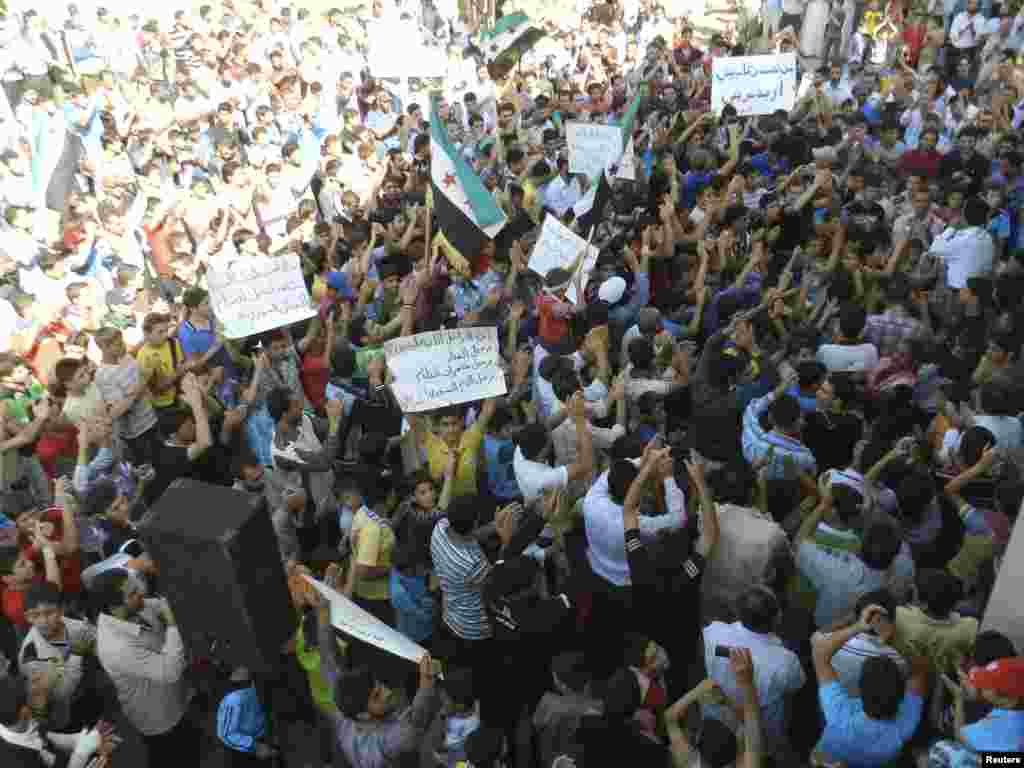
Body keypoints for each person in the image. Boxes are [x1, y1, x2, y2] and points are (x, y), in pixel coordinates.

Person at [92, 570, 197, 768]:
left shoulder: (133, 607)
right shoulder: (117, 647)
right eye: (132, 592)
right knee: (173, 757)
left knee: (188, 743)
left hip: (173, 698)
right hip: (159, 716)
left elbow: (153, 604)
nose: (141, 593)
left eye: (136, 586)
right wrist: (172, 624)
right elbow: (170, 671)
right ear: (114, 607)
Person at [811, 603, 932, 767]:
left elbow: (820, 654)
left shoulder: (840, 717)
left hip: (828, 759)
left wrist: (858, 626)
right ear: (900, 693)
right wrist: (892, 638)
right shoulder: (905, 724)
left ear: (860, 690)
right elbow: (920, 670)